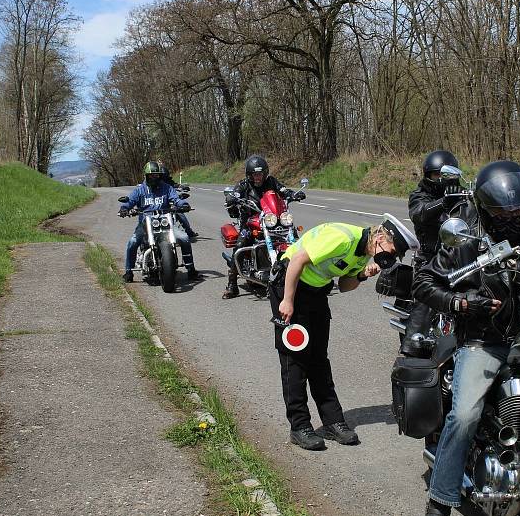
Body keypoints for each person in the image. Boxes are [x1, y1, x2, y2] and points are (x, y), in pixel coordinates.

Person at [411, 160, 520, 516]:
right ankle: (440, 501)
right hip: (485, 340)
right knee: (465, 415)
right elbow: (425, 283)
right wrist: (461, 302)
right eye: (506, 208)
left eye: (519, 205)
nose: (515, 213)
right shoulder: (467, 235)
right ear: (487, 206)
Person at [269, 215, 418, 450]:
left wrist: (361, 275)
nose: (390, 256)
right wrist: (287, 301)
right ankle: (299, 426)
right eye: (392, 250)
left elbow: (345, 287)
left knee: (319, 359)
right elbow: (297, 260)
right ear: (380, 236)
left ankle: (333, 421)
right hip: (290, 286)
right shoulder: (342, 238)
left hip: (316, 294)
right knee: (295, 359)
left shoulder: (364, 254)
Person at [405, 151, 476, 354]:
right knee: (425, 297)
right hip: (431, 258)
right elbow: (419, 213)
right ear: (428, 175)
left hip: (462, 257)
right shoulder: (420, 195)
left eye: (445, 176)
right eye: (437, 176)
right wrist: (443, 202)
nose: (441, 180)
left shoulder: (464, 196)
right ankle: (412, 348)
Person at [222, 154, 306, 299]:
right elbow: (234, 195)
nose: (258, 177)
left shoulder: (271, 181)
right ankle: (232, 284)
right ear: (249, 175)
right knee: (241, 244)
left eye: (260, 174)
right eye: (254, 174)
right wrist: (232, 198)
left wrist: (293, 194)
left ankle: (303, 276)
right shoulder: (243, 185)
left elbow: (283, 190)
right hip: (250, 221)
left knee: (293, 235)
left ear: (265, 173)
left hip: (272, 219)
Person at [120, 161, 202, 282]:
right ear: (146, 176)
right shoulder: (139, 190)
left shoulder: (166, 188)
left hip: (165, 223)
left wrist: (183, 204)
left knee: (184, 238)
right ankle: (128, 272)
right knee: (132, 242)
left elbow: (176, 199)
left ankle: (191, 270)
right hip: (145, 224)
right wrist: (124, 208)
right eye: (152, 175)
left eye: (157, 175)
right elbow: (130, 201)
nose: (155, 178)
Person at [159, 163, 198, 238]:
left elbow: (174, 185)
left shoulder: (168, 182)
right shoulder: (153, 184)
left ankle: (189, 232)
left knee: (180, 214)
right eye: (162, 177)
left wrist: (181, 186)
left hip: (169, 203)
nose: (163, 179)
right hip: (159, 205)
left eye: (165, 176)